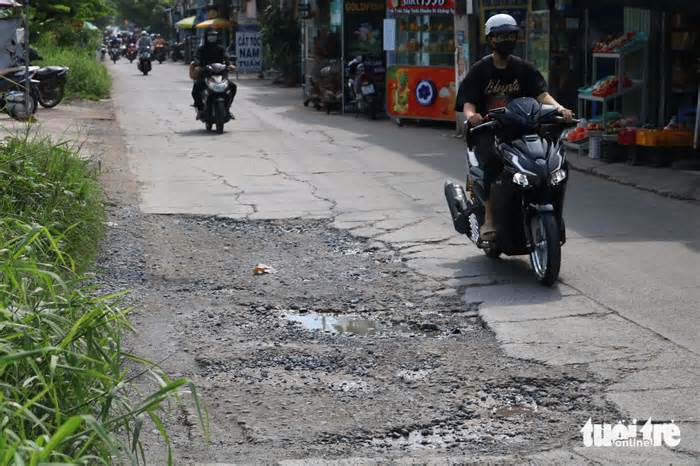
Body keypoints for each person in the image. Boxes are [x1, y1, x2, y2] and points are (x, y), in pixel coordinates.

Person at [455, 13, 573, 241]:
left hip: (522, 128)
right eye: (501, 36)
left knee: (550, 159)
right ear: (491, 39)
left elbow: (542, 94)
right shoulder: (481, 69)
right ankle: (489, 218)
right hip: (489, 129)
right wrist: (472, 117)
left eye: (510, 35)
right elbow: (468, 102)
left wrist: (560, 109)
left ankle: (551, 210)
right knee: (491, 161)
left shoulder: (523, 68)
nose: (506, 39)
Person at [191, 29, 237, 117]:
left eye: (214, 35)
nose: (212, 37)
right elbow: (196, 57)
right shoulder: (201, 49)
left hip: (219, 74)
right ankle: (200, 109)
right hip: (205, 74)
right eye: (210, 35)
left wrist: (230, 65)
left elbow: (226, 57)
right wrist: (198, 64)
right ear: (206, 37)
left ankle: (227, 107)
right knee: (196, 89)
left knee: (233, 87)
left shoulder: (221, 48)